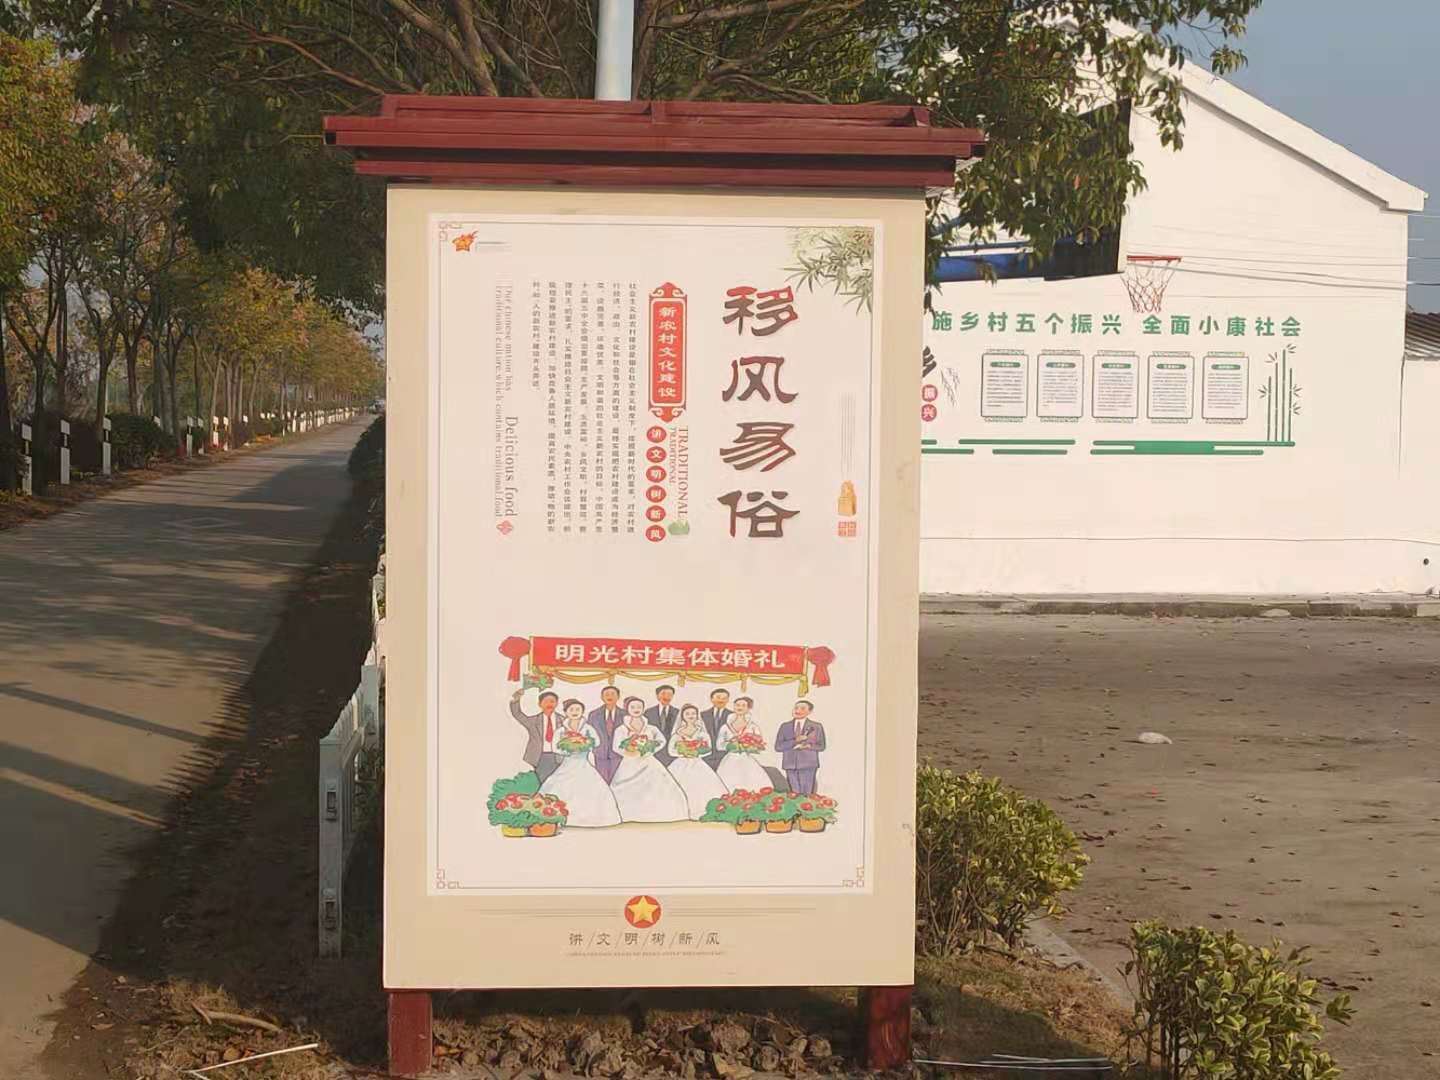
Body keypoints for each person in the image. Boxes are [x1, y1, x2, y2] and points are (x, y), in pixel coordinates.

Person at [539, 699, 620, 827]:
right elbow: (555, 747)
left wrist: (584, 746)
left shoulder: (588, 728)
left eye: (578, 709)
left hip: (584, 762)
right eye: (571, 710)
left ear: (582, 711)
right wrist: (568, 749)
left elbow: (596, 742)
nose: (575, 712)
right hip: (568, 763)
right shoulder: (561, 730)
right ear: (565, 712)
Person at [609, 696, 688, 822]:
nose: (636, 709)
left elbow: (661, 741)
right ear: (627, 709)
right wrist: (629, 752)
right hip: (630, 763)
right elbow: (616, 746)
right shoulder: (621, 729)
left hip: (649, 761)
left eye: (639, 707)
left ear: (643, 709)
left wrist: (649, 749)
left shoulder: (651, 728)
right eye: (633, 707)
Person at [665, 704, 728, 820]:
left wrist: (697, 752)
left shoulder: (702, 733)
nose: (691, 716)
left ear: (697, 716)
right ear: (682, 716)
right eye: (687, 714)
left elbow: (708, 749)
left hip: (697, 763)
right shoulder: (677, 733)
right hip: (681, 764)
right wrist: (684, 753)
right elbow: (671, 751)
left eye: (693, 713)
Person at [715, 700, 770, 793]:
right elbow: (719, 745)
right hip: (730, 759)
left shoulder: (753, 726)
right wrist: (731, 744)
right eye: (737, 705)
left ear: (748, 708)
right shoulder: (725, 726)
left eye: (743, 705)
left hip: (746, 758)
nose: (740, 707)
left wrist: (748, 744)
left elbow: (759, 744)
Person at [509, 688, 561, 783]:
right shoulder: (533, 721)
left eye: (552, 701)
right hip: (539, 756)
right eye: (546, 701)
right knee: (542, 781)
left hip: (558, 756)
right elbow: (518, 715)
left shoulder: (563, 720)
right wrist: (516, 700)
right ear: (539, 704)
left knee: (557, 782)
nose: (549, 704)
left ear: (557, 704)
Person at [775, 699, 826, 795]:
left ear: (810, 711)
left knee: (807, 794)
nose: (798, 711)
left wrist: (808, 746)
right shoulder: (785, 726)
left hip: (808, 764)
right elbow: (778, 747)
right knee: (793, 794)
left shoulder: (816, 726)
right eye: (796, 708)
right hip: (790, 764)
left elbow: (821, 746)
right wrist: (795, 741)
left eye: (802, 708)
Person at [587, 685, 626, 785]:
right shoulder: (594, 714)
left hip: (619, 754)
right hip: (600, 754)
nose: (610, 696)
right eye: (607, 694)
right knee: (602, 782)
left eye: (613, 694)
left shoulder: (625, 715)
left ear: (618, 697)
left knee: (618, 781)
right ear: (602, 697)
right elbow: (589, 734)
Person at [699, 688, 733, 770]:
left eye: (724, 698)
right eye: (718, 697)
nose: (721, 700)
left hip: (725, 755)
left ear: (728, 700)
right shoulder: (702, 715)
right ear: (711, 699)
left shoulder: (732, 716)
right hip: (706, 754)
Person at [645, 685, 680, 765]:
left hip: (671, 752)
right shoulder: (648, 712)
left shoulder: (678, 713)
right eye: (663, 693)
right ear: (657, 696)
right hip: (654, 752)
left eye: (670, 694)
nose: (666, 697)